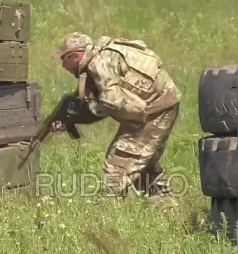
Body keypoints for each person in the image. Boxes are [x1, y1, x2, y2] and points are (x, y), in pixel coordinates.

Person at [51, 32, 182, 209]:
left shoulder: (99, 65)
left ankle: (106, 219)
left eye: (64, 60)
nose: (63, 66)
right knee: (142, 161)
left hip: (154, 108)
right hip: (161, 101)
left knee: (119, 164)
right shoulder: (103, 55)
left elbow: (112, 103)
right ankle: (166, 207)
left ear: (76, 56)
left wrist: (80, 114)